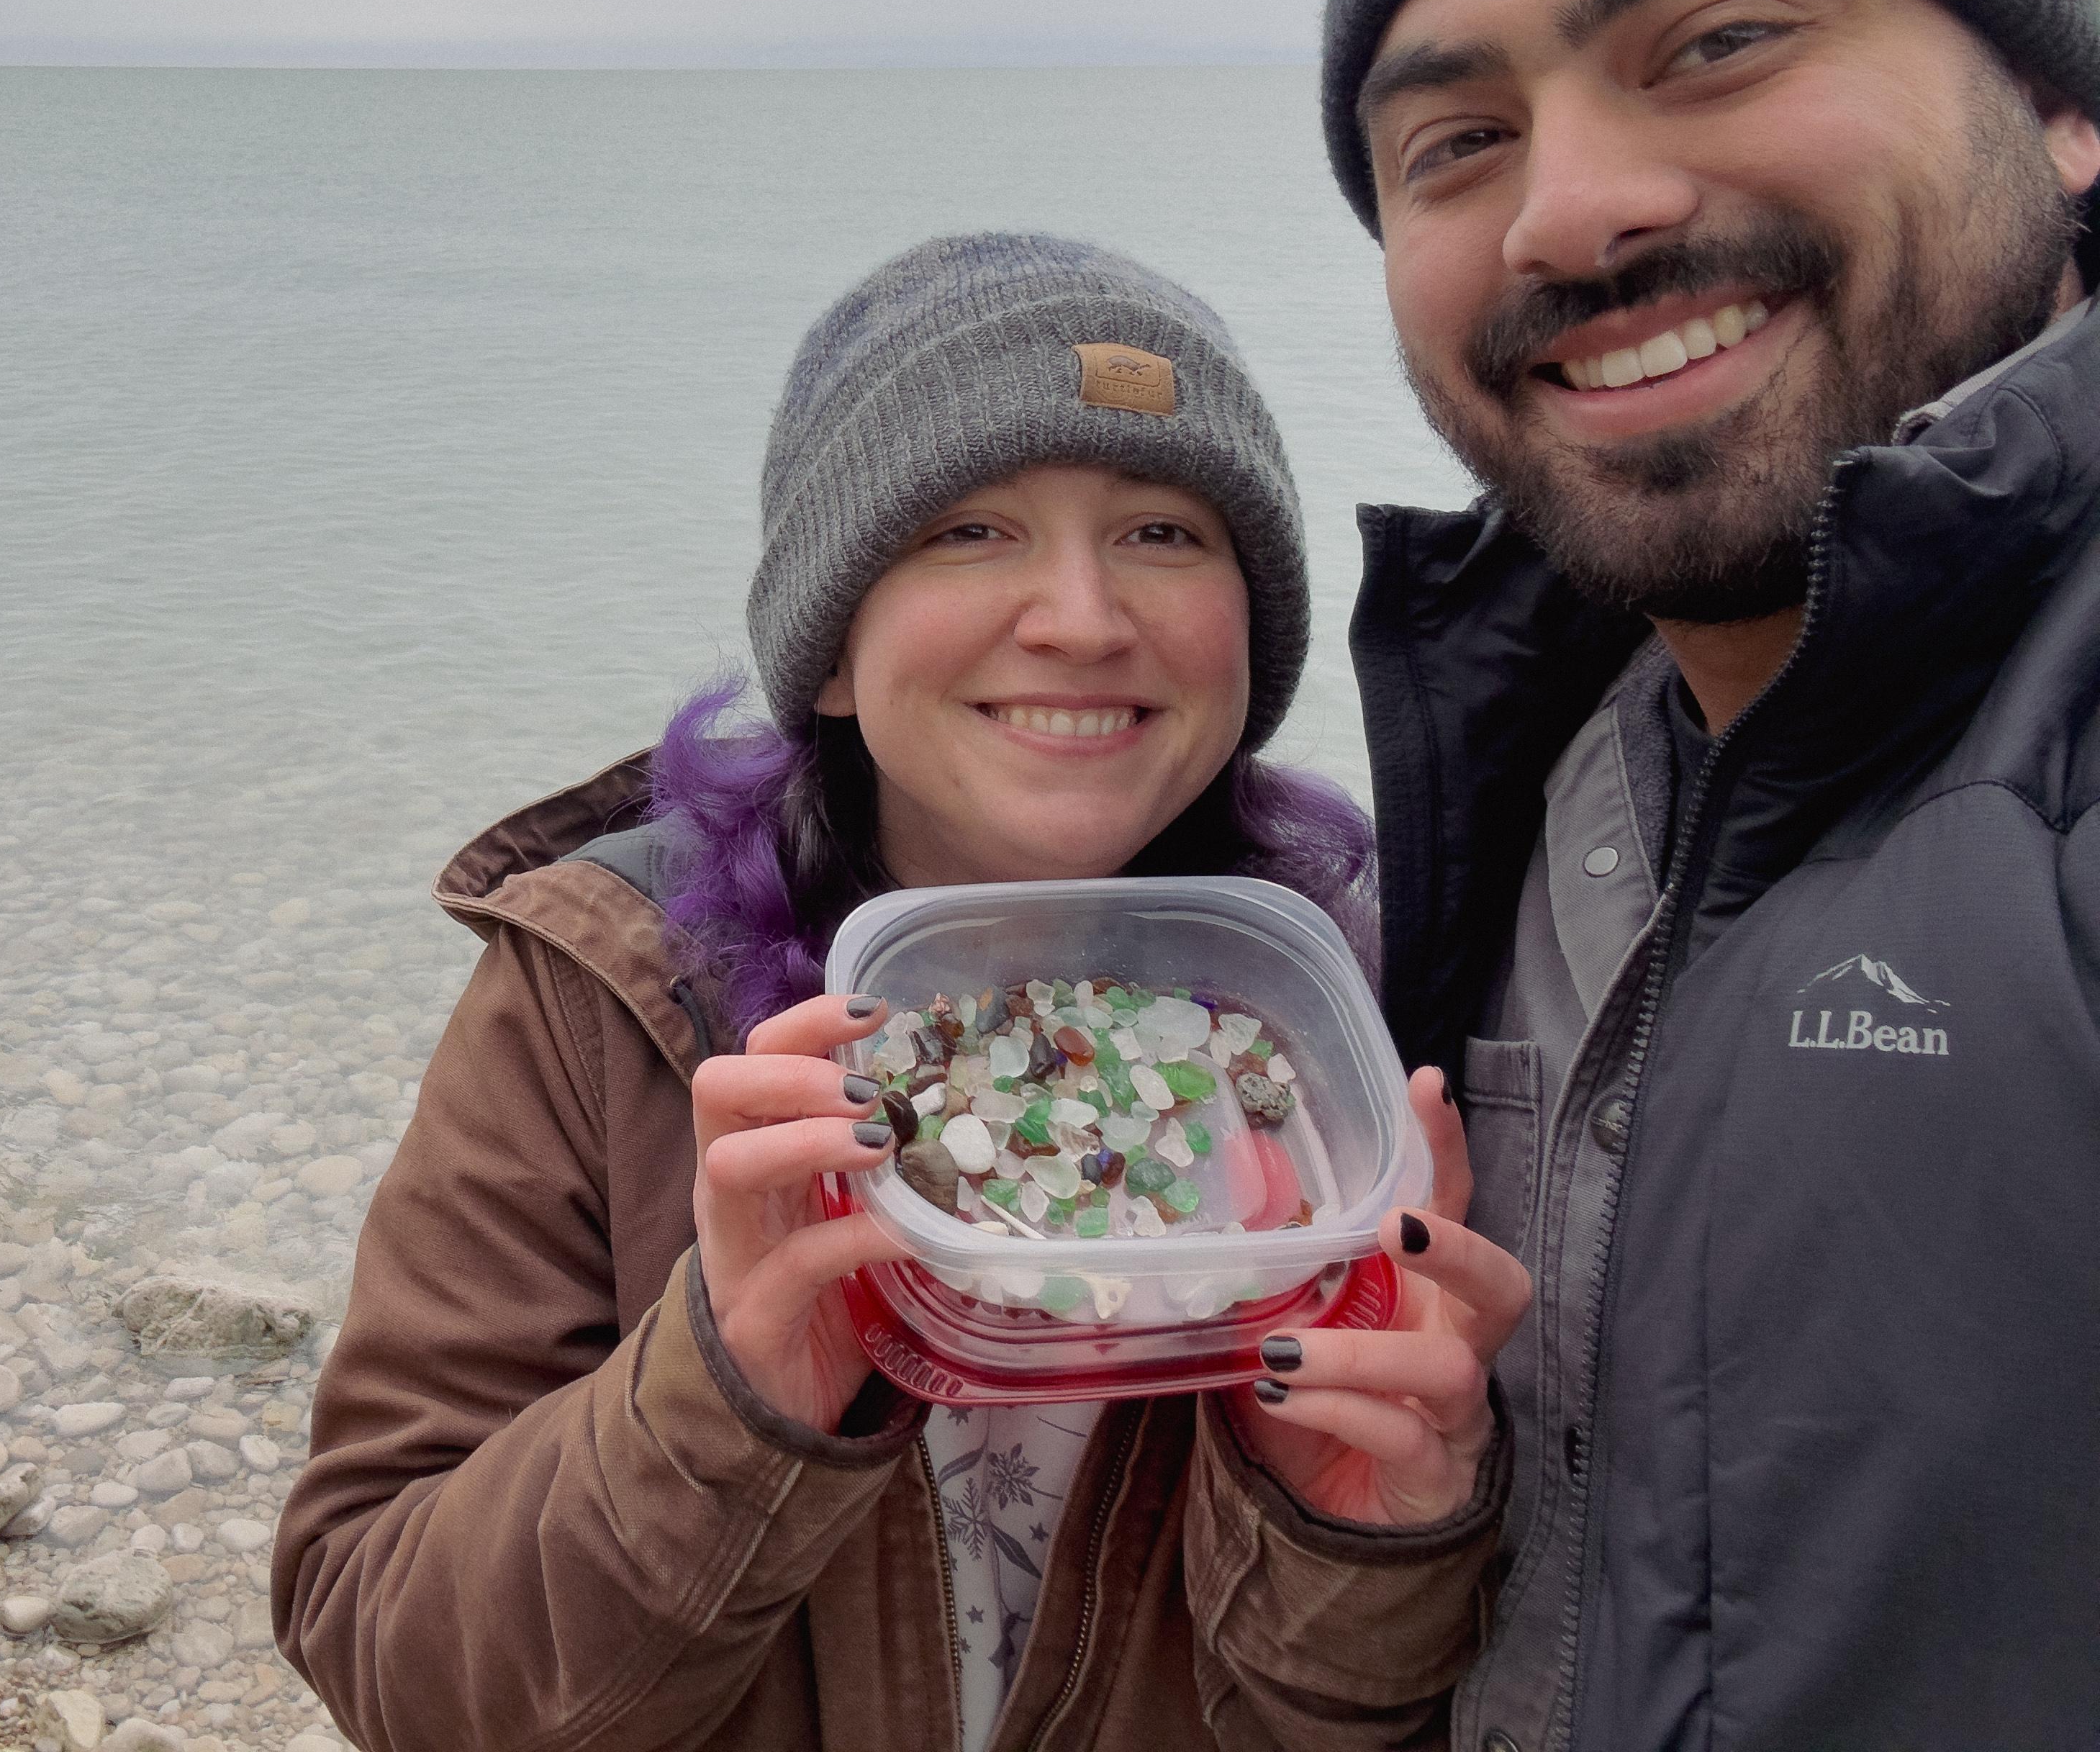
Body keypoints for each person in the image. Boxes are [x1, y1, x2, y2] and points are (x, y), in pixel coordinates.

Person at [271, 232, 1533, 1752]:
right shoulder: (601, 995)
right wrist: (729, 1403)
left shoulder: (1363, 1038)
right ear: (829, 657)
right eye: (970, 530)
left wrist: (1366, 1534)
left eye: (1161, 533)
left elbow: (1371, 1717)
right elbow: (389, 1664)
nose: (1080, 616)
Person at [1317, 0, 2100, 1752]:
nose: (1571, 212)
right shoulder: (1533, 764)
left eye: (1721, 38)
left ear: (2058, 102)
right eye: (1453, 144)